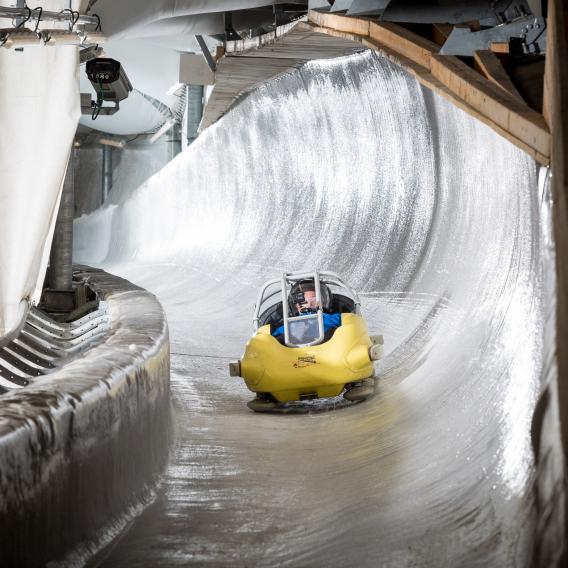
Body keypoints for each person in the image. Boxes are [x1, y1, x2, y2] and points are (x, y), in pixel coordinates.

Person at [271, 279, 341, 343]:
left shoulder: (336, 319)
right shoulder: (287, 326)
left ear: (324, 302)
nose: (309, 304)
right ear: (296, 306)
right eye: (304, 302)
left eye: (314, 300)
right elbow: (270, 342)